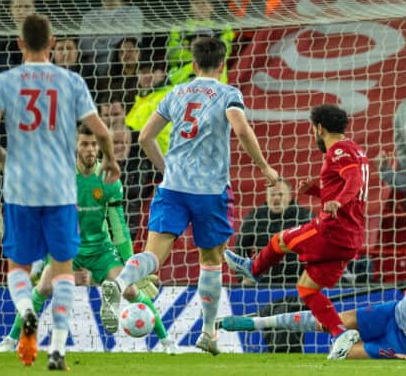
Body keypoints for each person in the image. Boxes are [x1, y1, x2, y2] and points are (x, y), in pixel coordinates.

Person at [100, 37, 278, 355]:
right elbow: (240, 128)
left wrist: (166, 168)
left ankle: (118, 281)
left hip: (172, 187)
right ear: (222, 65)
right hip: (209, 192)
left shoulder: (176, 92)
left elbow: (145, 137)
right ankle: (208, 333)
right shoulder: (227, 93)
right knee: (210, 262)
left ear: (193, 65)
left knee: (154, 256)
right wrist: (265, 167)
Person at [0, 14, 120, 370]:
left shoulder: (5, 81)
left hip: (21, 187)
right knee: (62, 271)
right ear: (53, 42)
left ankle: (27, 312)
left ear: (19, 43)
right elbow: (102, 132)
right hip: (60, 188)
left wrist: (4, 159)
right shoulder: (71, 81)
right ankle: (57, 348)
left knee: (19, 267)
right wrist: (112, 162)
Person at [0, 124, 175, 354]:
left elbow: (119, 227)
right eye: (84, 144)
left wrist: (131, 266)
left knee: (130, 291)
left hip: (101, 250)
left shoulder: (109, 179)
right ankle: (10, 340)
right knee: (44, 286)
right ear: (75, 145)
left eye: (94, 144)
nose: (90, 149)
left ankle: (167, 343)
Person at [222, 219, 406, 360]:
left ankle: (353, 342)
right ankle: (253, 322)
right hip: (393, 314)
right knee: (329, 323)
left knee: (339, 356)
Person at [224, 104, 369, 356]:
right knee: (307, 289)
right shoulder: (356, 150)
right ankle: (341, 333)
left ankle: (253, 268)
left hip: (332, 231)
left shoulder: (339, 151)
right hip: (351, 238)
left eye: (313, 129)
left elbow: (353, 181)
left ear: (319, 128)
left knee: (280, 239)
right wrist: (315, 190)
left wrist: (338, 201)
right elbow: (345, 185)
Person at [235, 179, 314, 286]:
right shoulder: (255, 217)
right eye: (272, 195)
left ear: (290, 197)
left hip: (299, 280)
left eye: (281, 194)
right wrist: (243, 277)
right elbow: (241, 249)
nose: (276, 198)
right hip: (265, 281)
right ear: (267, 198)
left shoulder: (306, 217)